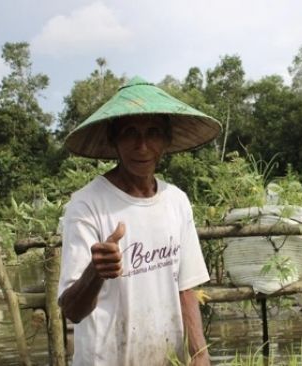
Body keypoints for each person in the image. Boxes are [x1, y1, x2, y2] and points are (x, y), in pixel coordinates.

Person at [58, 76, 222, 366]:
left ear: (167, 140)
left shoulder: (177, 201)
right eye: (130, 132)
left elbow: (186, 288)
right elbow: (72, 310)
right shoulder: (87, 205)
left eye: (154, 132)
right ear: (113, 139)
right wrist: (95, 273)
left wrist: (200, 356)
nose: (142, 146)